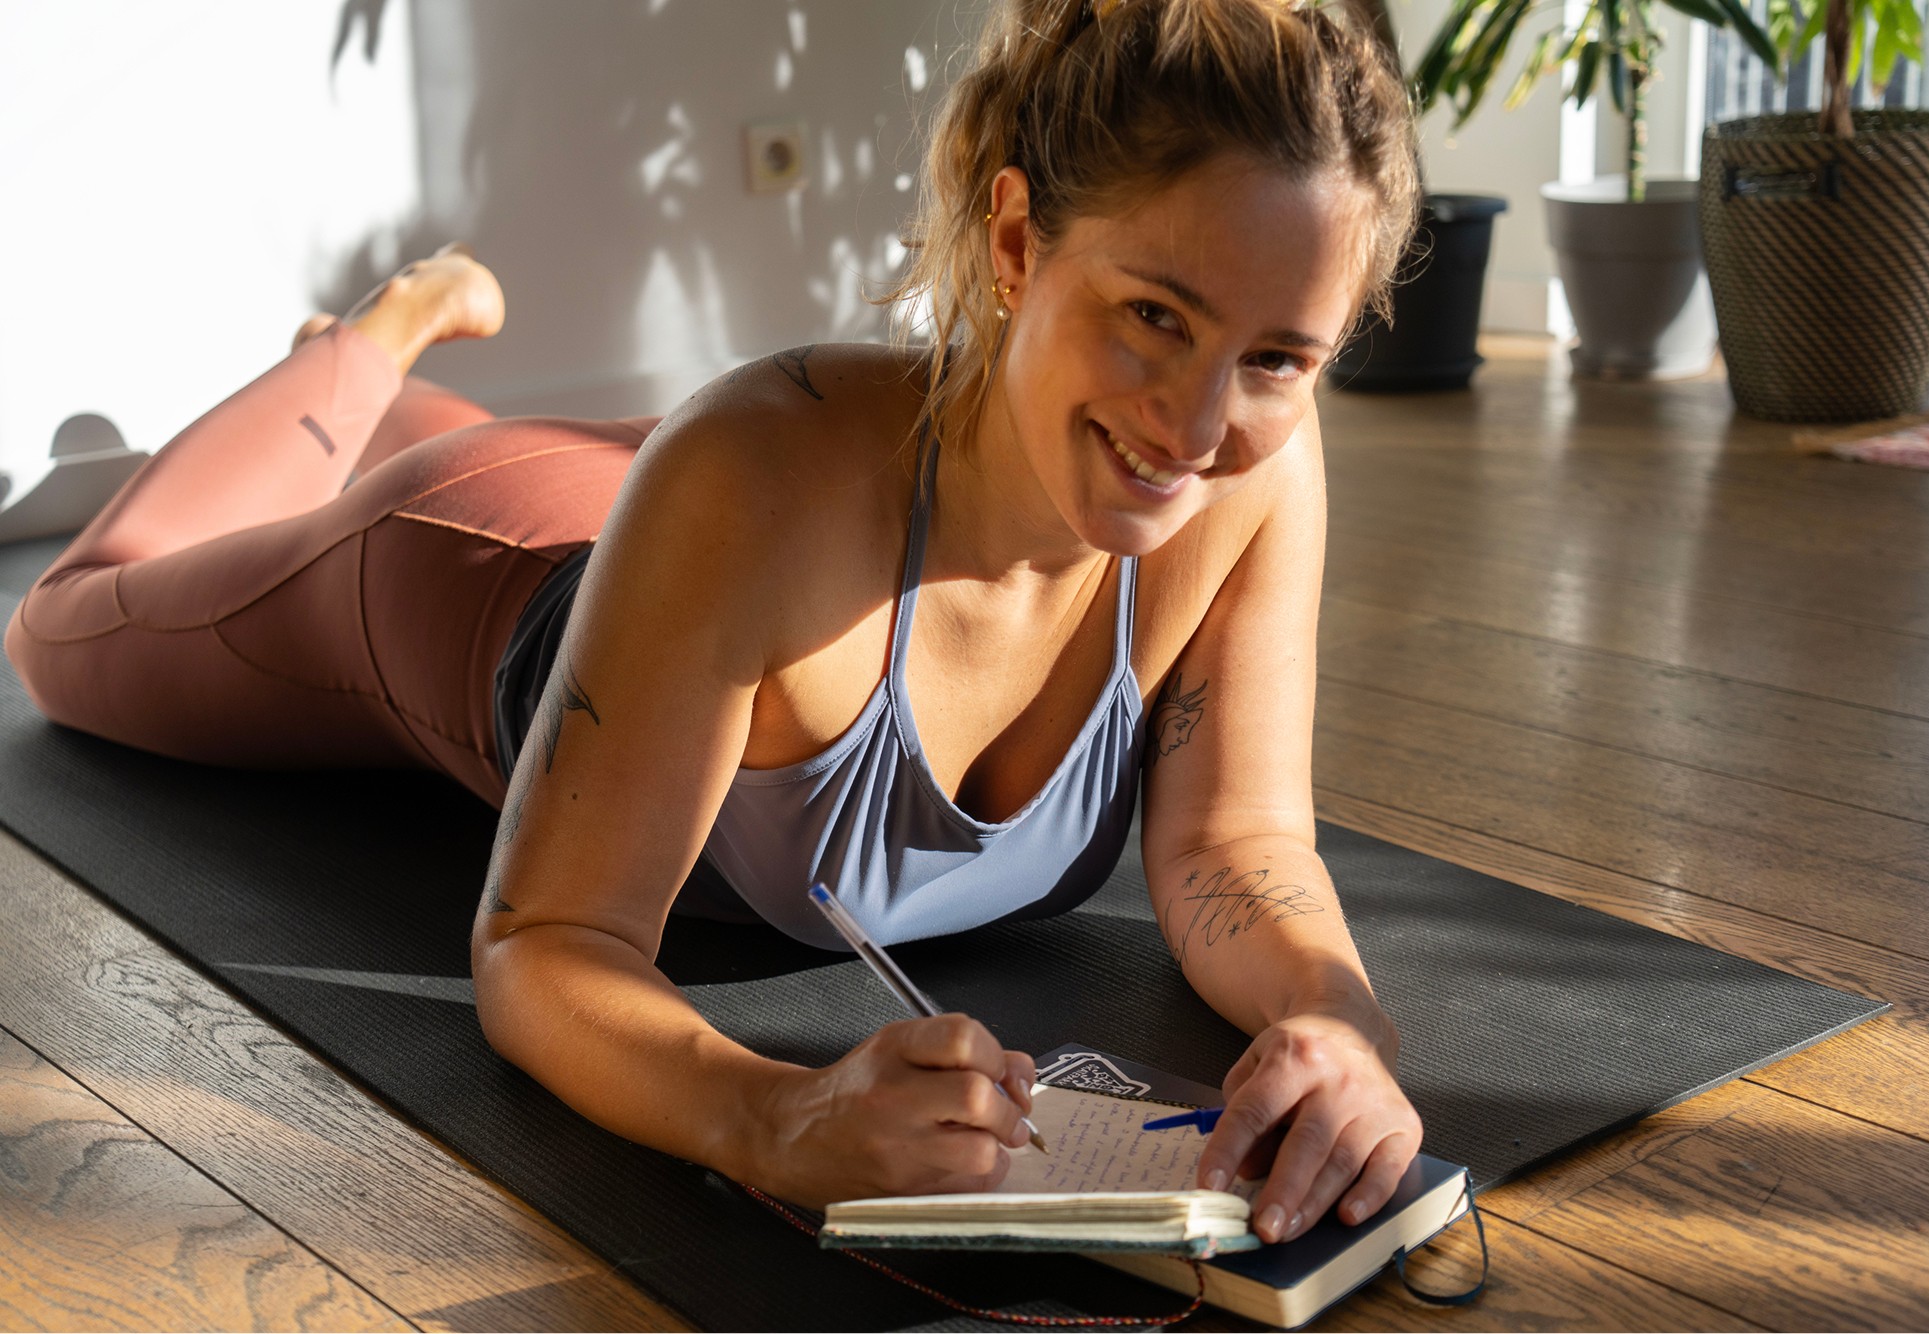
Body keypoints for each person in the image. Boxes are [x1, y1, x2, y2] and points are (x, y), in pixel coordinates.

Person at [8, 0, 1422, 1245]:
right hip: (466, 566)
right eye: (1155, 316)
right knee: (64, 634)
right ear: (1012, 241)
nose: (1195, 423)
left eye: (1276, 357)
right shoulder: (750, 477)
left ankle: (410, 397)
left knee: (640, 481)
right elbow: (544, 941)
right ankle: (370, 348)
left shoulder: (1254, 475)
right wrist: (774, 1119)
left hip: (698, 528)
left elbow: (1233, 844)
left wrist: (1343, 1027)